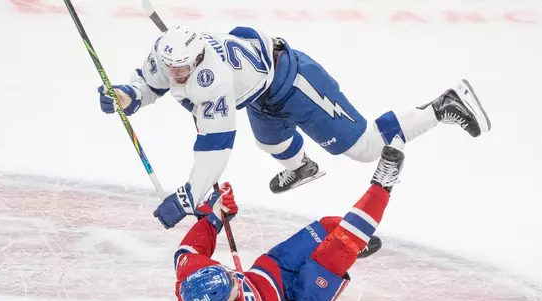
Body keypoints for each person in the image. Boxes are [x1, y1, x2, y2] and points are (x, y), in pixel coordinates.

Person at [98, 24, 491, 230]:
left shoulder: (211, 79)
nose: (175, 74)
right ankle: (302, 168)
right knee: (271, 142)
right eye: (171, 67)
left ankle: (443, 106)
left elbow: (215, 144)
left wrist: (188, 197)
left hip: (294, 83)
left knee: (366, 148)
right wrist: (126, 94)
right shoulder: (169, 54)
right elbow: (149, 83)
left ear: (199, 58)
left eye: (183, 69)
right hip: (260, 94)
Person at [172, 144, 405, 301]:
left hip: (270, 273)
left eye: (231, 278)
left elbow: (188, 249)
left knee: (327, 228)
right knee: (338, 247)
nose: (235, 285)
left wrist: (217, 215)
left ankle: (353, 240)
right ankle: (383, 184)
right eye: (232, 292)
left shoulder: (191, 271)